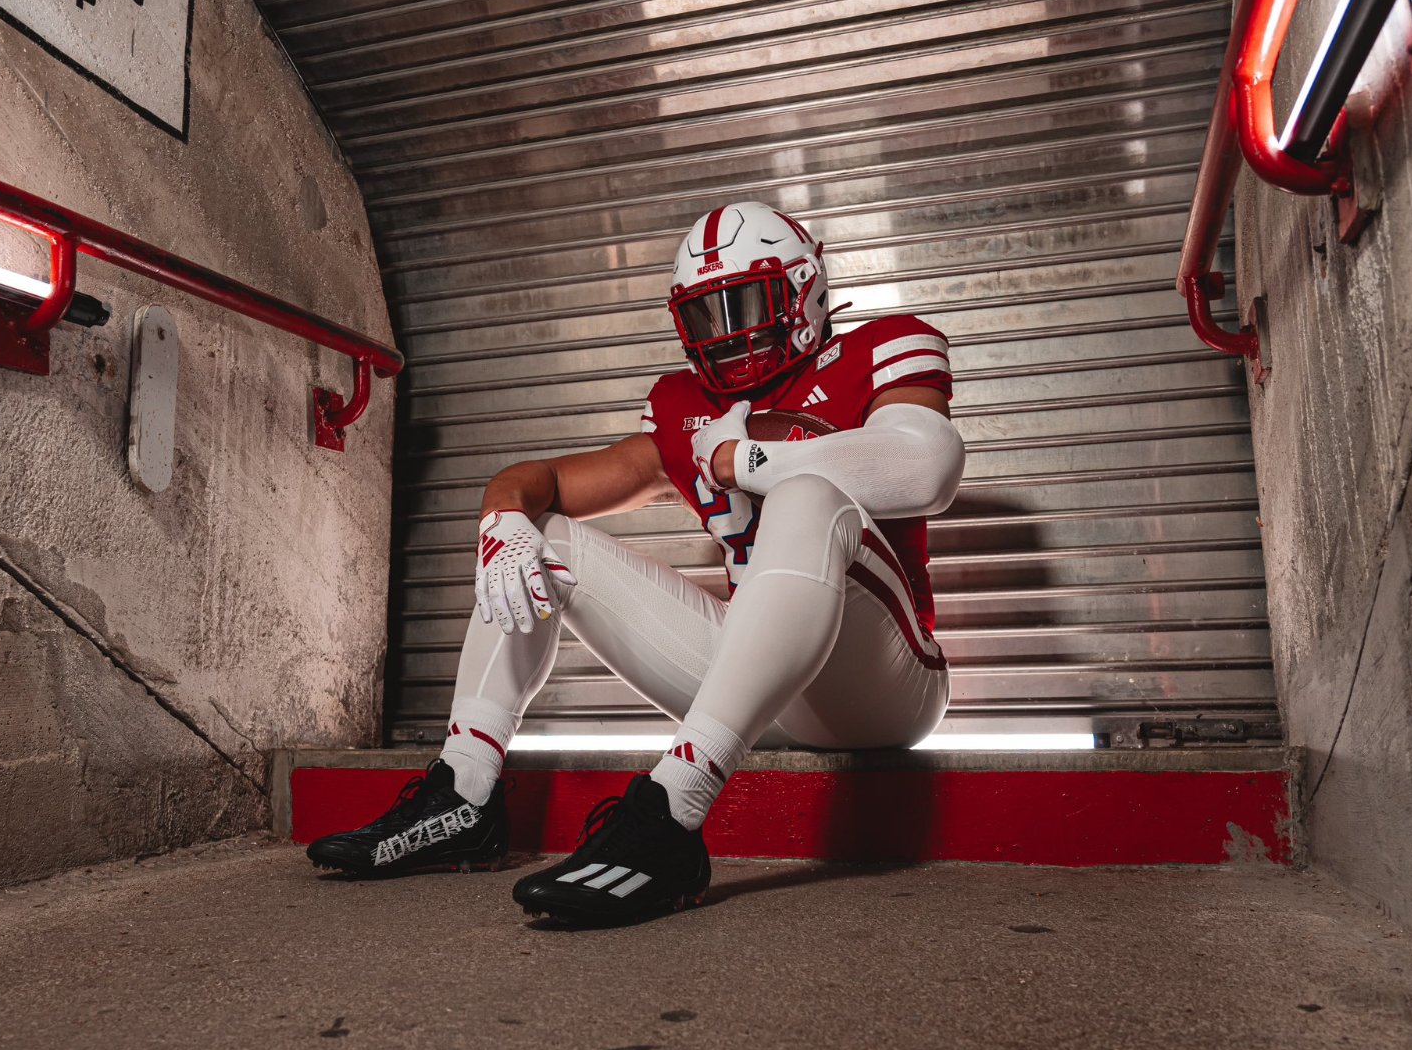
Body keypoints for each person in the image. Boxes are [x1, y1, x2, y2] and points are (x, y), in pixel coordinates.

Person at [308, 202, 965, 925]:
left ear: (803, 290)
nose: (728, 331)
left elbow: (926, 468)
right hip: (759, 687)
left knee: (808, 494)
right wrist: (500, 517)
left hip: (884, 685)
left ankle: (672, 809)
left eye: (746, 303)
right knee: (542, 538)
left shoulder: (880, 347)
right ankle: (464, 791)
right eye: (707, 313)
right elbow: (541, 481)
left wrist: (747, 460)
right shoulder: (685, 406)